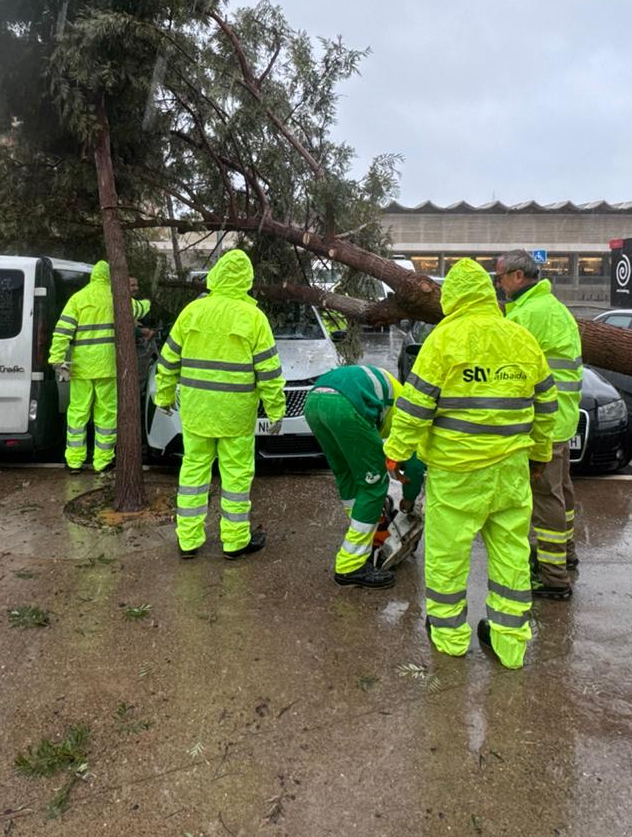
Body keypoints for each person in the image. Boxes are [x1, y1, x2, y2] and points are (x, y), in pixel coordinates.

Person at [383, 258, 559, 669]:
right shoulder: (521, 339)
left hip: (458, 473)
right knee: (512, 556)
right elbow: (547, 407)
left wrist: (397, 450)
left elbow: (414, 407)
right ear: (487, 292)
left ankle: (449, 635)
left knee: (448, 555)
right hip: (511, 473)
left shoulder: (443, 341)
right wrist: (538, 456)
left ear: (453, 298)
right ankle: (510, 642)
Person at [153, 250, 286, 559]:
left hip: (197, 412)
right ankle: (235, 541)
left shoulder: (192, 312)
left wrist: (164, 396)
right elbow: (269, 371)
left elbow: (168, 358)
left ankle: (187, 541)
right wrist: (276, 410)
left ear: (215, 275)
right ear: (247, 280)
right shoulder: (253, 317)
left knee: (193, 474)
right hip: (235, 415)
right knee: (237, 477)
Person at [496, 250, 584, 600]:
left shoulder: (530, 314)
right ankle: (567, 554)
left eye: (500, 276)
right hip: (563, 415)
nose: (498, 283)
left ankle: (552, 577)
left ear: (518, 277)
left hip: (544, 419)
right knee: (562, 491)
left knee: (546, 496)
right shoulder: (553, 308)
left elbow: (509, 371)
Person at [304, 363, 426, 589]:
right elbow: (416, 466)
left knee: (348, 474)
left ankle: (364, 531)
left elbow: (386, 450)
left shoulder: (401, 396)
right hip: (347, 405)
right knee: (375, 484)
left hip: (314, 400)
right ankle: (351, 565)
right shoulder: (414, 417)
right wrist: (408, 502)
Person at [47, 261, 150, 474]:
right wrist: (148, 301)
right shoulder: (118, 299)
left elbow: (62, 331)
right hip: (108, 368)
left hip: (82, 368)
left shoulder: (78, 299)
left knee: (77, 413)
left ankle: (74, 462)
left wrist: (57, 360)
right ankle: (102, 461)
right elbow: (139, 309)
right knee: (106, 415)